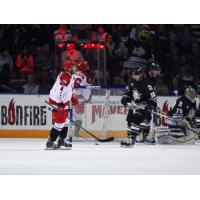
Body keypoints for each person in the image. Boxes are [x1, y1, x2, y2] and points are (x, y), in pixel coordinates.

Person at [120, 66, 157, 147]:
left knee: (137, 118)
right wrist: (125, 97)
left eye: (135, 75)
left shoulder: (148, 84)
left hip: (144, 105)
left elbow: (153, 98)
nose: (133, 76)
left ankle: (132, 140)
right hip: (135, 104)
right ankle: (130, 137)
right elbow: (128, 92)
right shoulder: (132, 81)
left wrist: (150, 105)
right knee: (130, 120)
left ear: (140, 74)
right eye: (133, 74)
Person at [46, 60, 79, 149]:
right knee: (59, 124)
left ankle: (61, 141)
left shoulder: (69, 76)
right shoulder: (66, 78)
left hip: (62, 102)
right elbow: (59, 92)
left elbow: (67, 91)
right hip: (58, 102)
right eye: (73, 66)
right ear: (69, 68)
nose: (75, 68)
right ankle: (50, 142)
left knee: (67, 122)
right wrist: (62, 105)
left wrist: (72, 97)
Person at [73, 60, 92, 137]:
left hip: (69, 96)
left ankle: (62, 133)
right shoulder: (86, 76)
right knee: (79, 117)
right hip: (78, 99)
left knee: (68, 116)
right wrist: (87, 98)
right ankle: (76, 134)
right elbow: (86, 92)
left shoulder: (73, 73)